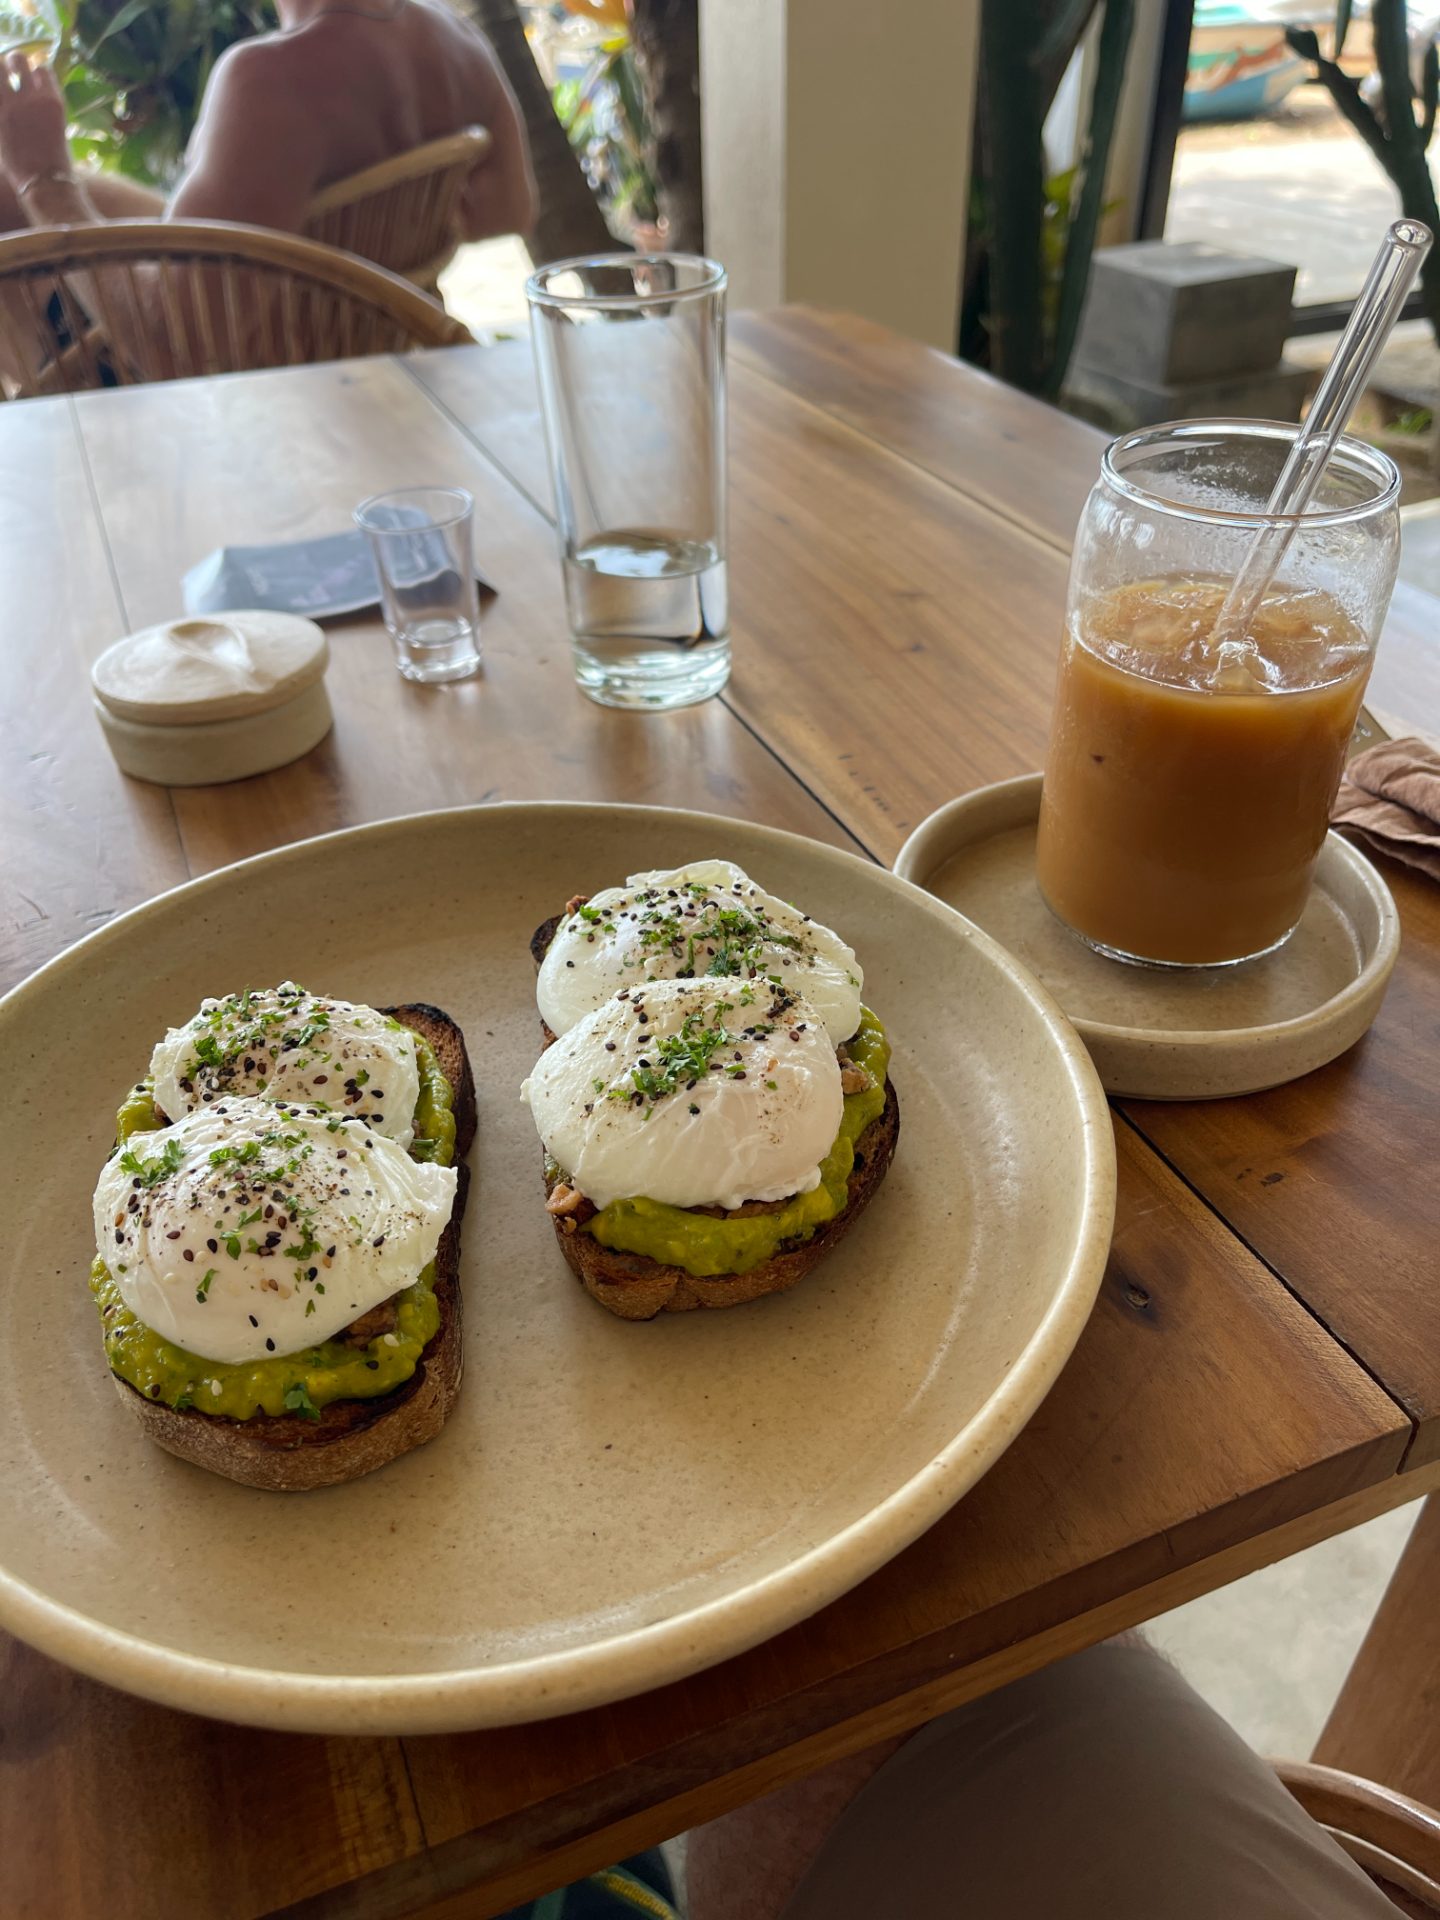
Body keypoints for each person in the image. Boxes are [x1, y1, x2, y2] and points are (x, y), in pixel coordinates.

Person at [0, 0, 536, 253]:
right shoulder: (458, 40)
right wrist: (378, 236)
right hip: (380, 331)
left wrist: (43, 177)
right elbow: (508, 212)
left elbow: (174, 340)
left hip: (256, 377)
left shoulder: (267, 77)